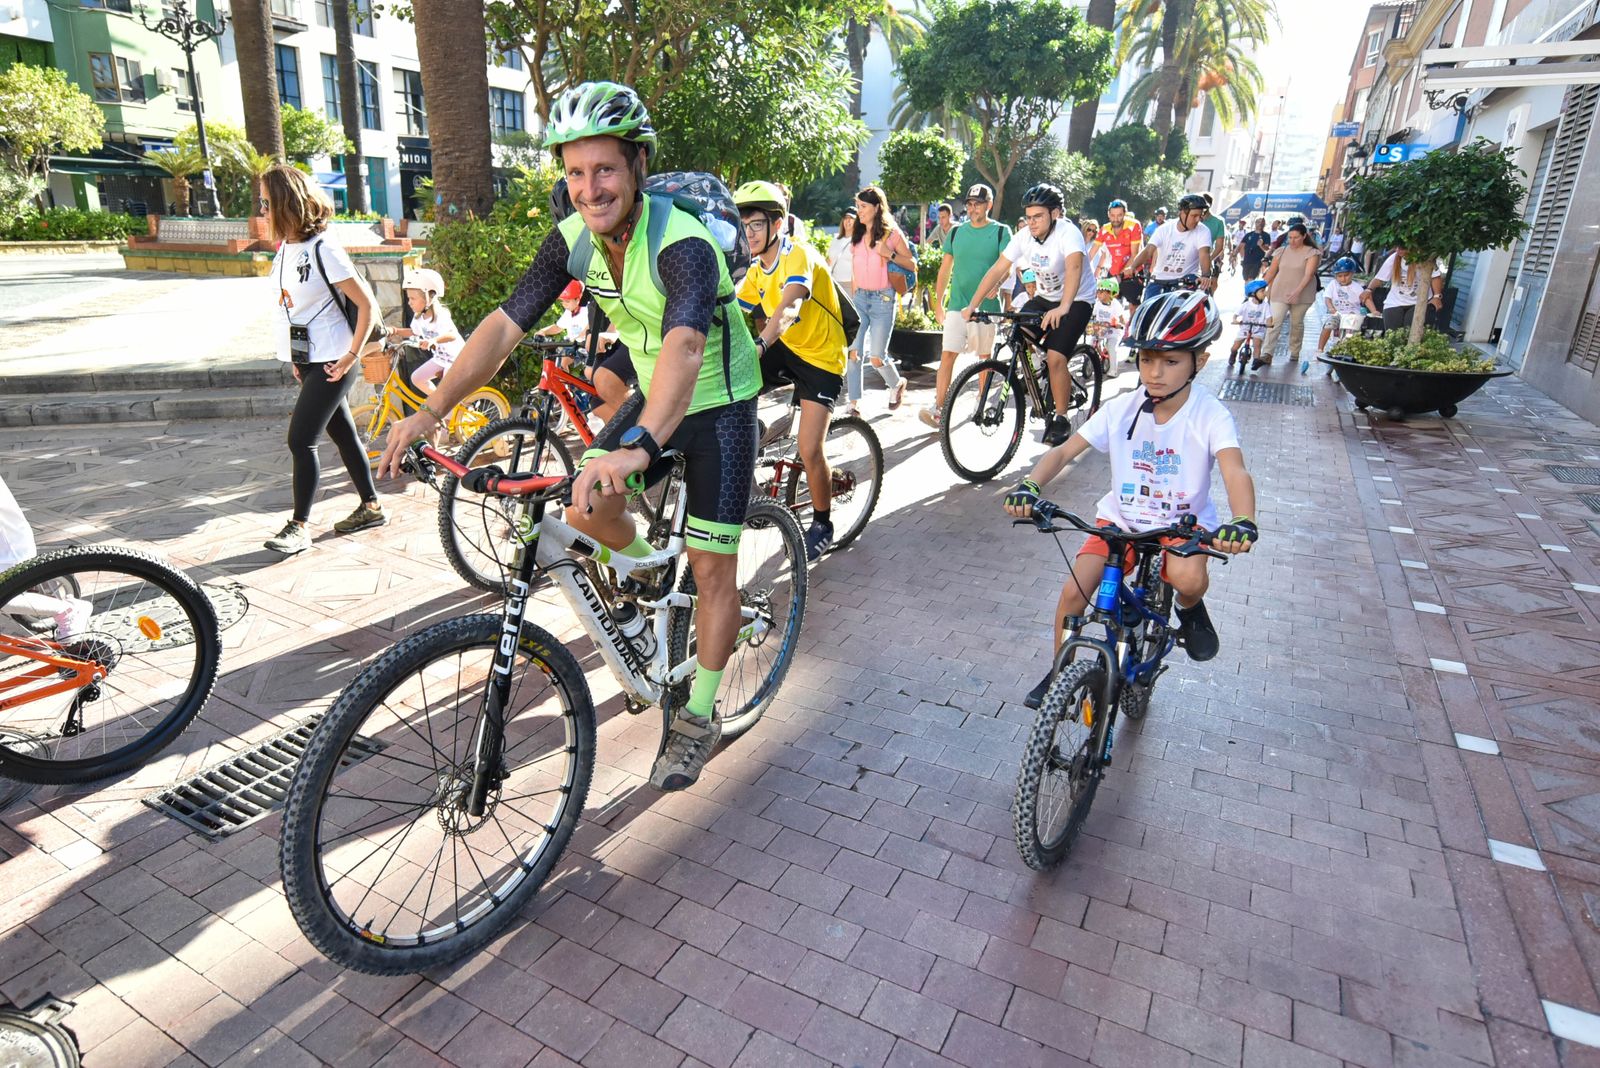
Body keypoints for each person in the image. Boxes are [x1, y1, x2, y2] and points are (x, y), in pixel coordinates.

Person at [376, 80, 761, 792]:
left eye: (605, 169)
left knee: (712, 572)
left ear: (637, 165)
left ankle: (699, 716)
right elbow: (503, 326)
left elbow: (684, 348)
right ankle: (646, 570)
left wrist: (639, 446)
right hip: (656, 395)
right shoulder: (575, 239)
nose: (590, 188)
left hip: (721, 403)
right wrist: (431, 411)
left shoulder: (682, 243)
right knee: (586, 504)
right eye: (576, 172)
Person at [1004, 288, 1258, 708]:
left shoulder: (1210, 414)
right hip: (1121, 520)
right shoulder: (1122, 408)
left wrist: (1243, 519)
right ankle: (1061, 669)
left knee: (1187, 580)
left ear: (1200, 361)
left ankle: (1190, 609)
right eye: (1146, 359)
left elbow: (1235, 470)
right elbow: (1064, 451)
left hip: (1182, 524)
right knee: (1073, 594)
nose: (1155, 373)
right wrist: (1030, 485)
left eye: (1170, 361)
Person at [264, 164, 387, 553]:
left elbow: (366, 306)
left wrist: (352, 356)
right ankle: (371, 506)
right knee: (344, 435)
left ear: (285, 204)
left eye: (266, 203)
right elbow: (294, 308)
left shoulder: (324, 248)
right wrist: (297, 359)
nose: (262, 211)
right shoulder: (287, 248)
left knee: (301, 440)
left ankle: (299, 526)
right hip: (310, 358)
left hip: (334, 360)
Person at [734, 180, 848, 560]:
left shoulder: (797, 255)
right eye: (743, 226)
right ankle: (752, 434)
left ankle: (822, 523)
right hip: (789, 348)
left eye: (756, 224)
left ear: (777, 224)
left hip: (822, 358)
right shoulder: (756, 269)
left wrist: (760, 345)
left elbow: (788, 309)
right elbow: (729, 310)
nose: (749, 234)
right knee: (733, 384)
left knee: (809, 448)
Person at [959, 182, 1096, 446]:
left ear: (1055, 214)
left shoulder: (1068, 233)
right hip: (1045, 297)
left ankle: (1061, 417)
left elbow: (1075, 269)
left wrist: (1064, 308)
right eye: (1029, 216)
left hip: (1077, 299)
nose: (1031, 222)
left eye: (1038, 217)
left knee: (1056, 357)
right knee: (1017, 332)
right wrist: (972, 305)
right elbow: (997, 269)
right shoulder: (1024, 236)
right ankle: (1039, 373)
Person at [925, 182, 1011, 428]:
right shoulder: (955, 232)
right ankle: (939, 408)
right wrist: (938, 303)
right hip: (957, 304)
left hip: (986, 307)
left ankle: (981, 402)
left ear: (989, 205)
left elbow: (1006, 266)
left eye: (978, 204)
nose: (973, 209)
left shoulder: (1001, 232)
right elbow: (945, 270)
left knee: (984, 358)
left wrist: (999, 283)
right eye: (970, 204)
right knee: (947, 355)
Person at [847, 185, 914, 415]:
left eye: (863, 206)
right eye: (858, 206)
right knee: (854, 352)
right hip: (859, 299)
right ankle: (853, 404)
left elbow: (912, 264)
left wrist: (889, 253)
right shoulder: (856, 234)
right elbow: (854, 268)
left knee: (876, 357)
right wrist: (854, 294)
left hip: (883, 300)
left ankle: (896, 384)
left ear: (876, 208)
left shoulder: (892, 234)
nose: (859, 211)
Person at [389, 267, 464, 397]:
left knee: (446, 391)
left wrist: (433, 340)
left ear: (429, 298)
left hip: (456, 360)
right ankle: (439, 402)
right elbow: (414, 332)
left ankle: (446, 406)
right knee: (417, 378)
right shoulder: (419, 317)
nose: (409, 303)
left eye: (413, 298)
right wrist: (395, 331)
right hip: (441, 359)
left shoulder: (441, 315)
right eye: (408, 298)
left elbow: (452, 335)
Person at [1122, 194, 1213, 300]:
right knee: (1147, 308)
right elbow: (1148, 251)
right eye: (1194, 216)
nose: (1198, 219)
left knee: (1186, 307)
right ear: (1182, 213)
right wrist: (1133, 267)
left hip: (1187, 280)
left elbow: (1204, 253)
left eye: (1200, 215)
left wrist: (1205, 276)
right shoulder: (1164, 229)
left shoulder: (1203, 231)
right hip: (1159, 280)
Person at [1258, 222, 1320, 370]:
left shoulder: (1312, 253)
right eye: (1290, 237)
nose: (1292, 241)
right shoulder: (1281, 251)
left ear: (1304, 236)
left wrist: (1296, 292)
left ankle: (1294, 351)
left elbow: (1308, 275)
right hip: (1279, 290)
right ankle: (1267, 353)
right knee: (1274, 321)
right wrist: (1260, 287)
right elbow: (1271, 272)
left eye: (1296, 237)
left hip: (1302, 293)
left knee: (1296, 323)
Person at [1362, 247, 1444, 333]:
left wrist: (1437, 297)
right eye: (1397, 247)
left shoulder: (1424, 259)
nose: (1398, 250)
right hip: (1394, 302)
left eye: (1402, 248)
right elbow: (1380, 278)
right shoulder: (1393, 258)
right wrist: (1369, 290)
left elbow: (1435, 277)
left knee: (1410, 332)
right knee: (1392, 334)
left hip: (1418, 303)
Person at [1311, 256, 1366, 372]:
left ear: (1352, 274)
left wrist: (1374, 310)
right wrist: (1331, 308)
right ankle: (1320, 349)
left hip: (1352, 317)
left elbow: (1366, 299)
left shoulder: (1357, 287)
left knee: (1347, 338)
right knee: (1328, 325)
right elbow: (1327, 298)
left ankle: (1343, 359)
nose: (1343, 278)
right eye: (1340, 276)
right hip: (1338, 314)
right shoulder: (1333, 284)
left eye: (1346, 275)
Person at [1096, 199, 1144, 307]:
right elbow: (1091, 253)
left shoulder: (1134, 225)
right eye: (1113, 215)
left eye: (1119, 215)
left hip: (1131, 271)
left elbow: (1135, 254)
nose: (1116, 219)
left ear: (1125, 214)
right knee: (1108, 305)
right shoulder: (1105, 228)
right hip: (1114, 271)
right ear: (1108, 215)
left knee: (1133, 306)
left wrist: (1120, 275)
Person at [1229, 278, 1273, 373]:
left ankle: (1256, 361)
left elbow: (1269, 317)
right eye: (1262, 291)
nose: (1265, 293)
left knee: (1257, 344)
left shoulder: (1265, 306)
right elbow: (1236, 314)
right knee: (1235, 346)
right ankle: (1233, 354)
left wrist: (1269, 323)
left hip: (1258, 330)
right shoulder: (1246, 305)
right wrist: (1235, 320)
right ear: (1253, 294)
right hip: (1245, 329)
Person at [1088, 276, 1128, 374]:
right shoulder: (1098, 303)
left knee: (1111, 347)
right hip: (1101, 328)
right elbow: (1092, 314)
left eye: (1101, 292)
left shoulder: (1116, 305)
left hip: (1114, 331)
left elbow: (1123, 320)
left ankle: (1113, 370)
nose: (1098, 294)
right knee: (1092, 342)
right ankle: (1093, 359)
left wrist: (1120, 324)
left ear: (1110, 293)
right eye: (1098, 291)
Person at [1199, 192, 1227, 280]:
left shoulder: (1218, 222)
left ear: (1209, 205)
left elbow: (1219, 246)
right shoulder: (1193, 218)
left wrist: (1209, 259)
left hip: (1204, 260)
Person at [1237, 217, 1270, 282]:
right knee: (1246, 280)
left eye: (1262, 222)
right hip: (1247, 260)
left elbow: (1267, 249)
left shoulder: (1266, 235)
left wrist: (1261, 245)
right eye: (1258, 222)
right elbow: (1241, 245)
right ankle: (1248, 289)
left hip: (1257, 262)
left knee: (1251, 280)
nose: (1260, 224)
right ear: (1255, 223)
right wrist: (1234, 253)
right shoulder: (1249, 234)